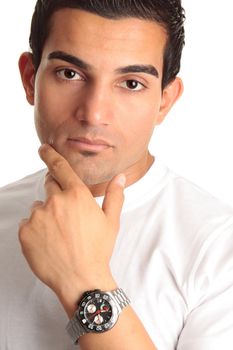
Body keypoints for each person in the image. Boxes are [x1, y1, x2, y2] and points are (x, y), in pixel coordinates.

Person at [0, 0, 233, 349]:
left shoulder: (218, 248)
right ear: (30, 79)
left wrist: (83, 282)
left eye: (132, 83)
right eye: (69, 73)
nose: (94, 113)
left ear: (165, 101)